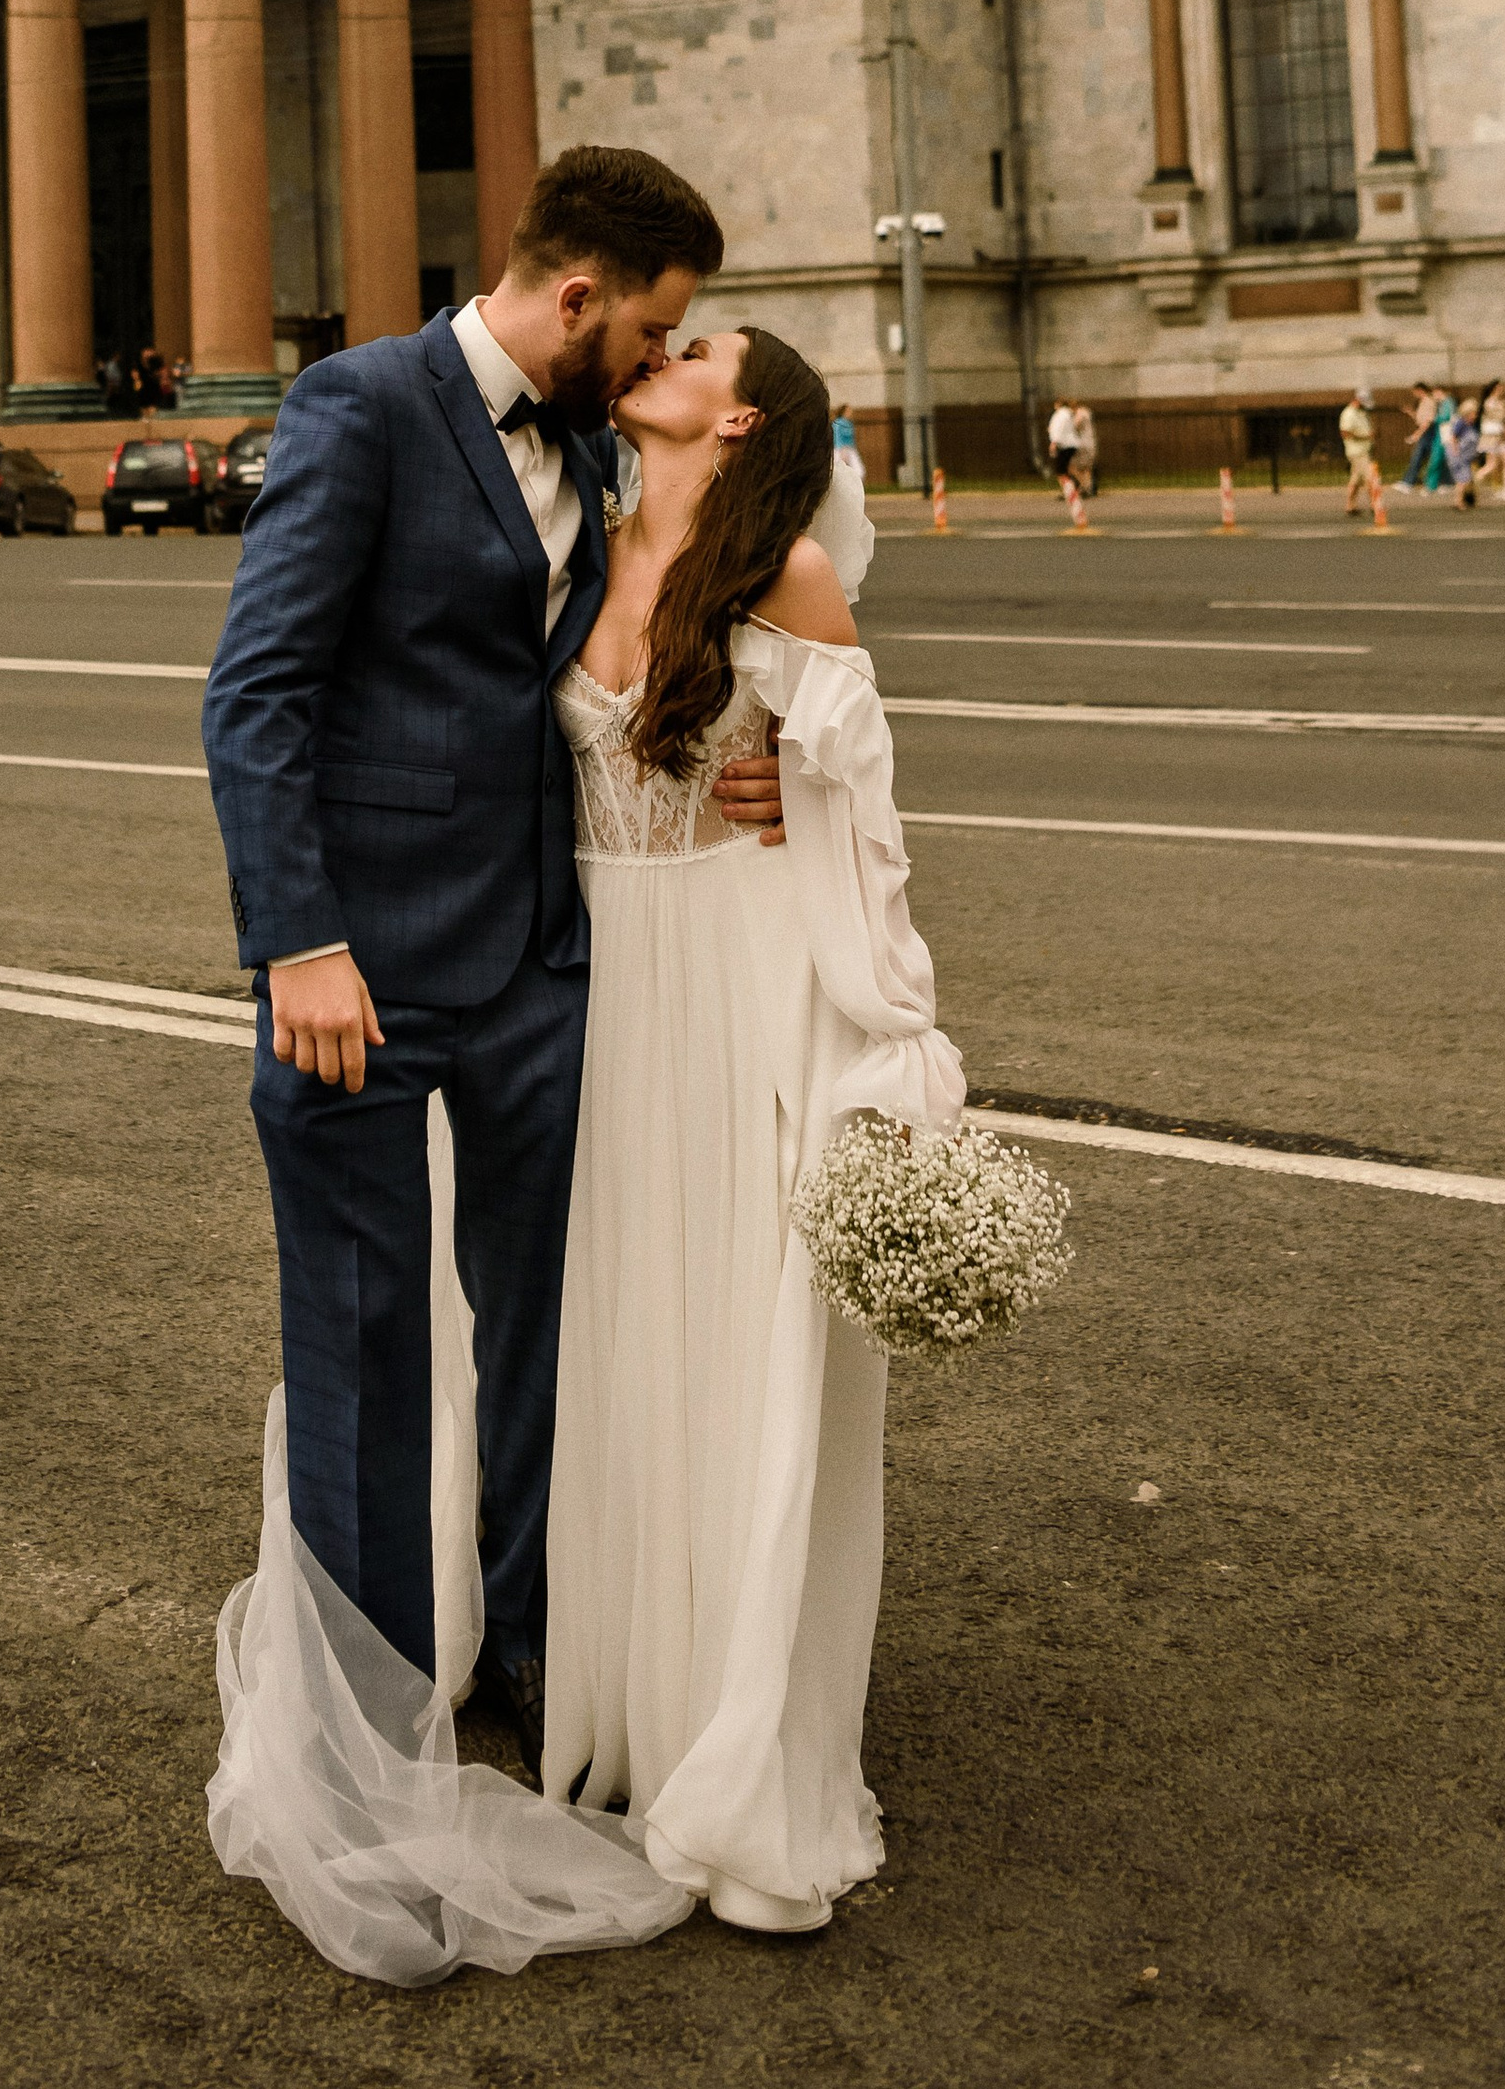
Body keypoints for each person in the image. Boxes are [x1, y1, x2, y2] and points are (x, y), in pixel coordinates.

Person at [204, 149, 776, 1973]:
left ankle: (538, 1665)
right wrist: (298, 937)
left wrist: (746, 757)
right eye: (661, 323)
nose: (665, 353)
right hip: (357, 975)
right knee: (365, 1345)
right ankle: (370, 1738)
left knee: (551, 1333)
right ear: (587, 292)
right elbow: (259, 687)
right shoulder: (359, 403)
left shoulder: (604, 437)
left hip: (544, 960)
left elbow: (618, 658)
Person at [544, 322, 960, 1929]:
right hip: (603, 978)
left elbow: (869, 826)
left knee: (743, 1342)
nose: (659, 346)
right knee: (627, 1334)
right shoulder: (583, 530)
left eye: (697, 343)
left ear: (745, 415)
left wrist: (896, 1048)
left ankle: (739, 1741)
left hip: (741, 973)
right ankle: (637, 1713)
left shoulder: (784, 570)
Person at [1339, 390, 1379, 514]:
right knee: (1369, 477)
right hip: (1357, 451)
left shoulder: (1360, 413)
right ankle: (1374, 504)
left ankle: (1350, 506)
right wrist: (1367, 437)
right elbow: (1345, 433)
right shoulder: (1349, 414)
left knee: (1355, 479)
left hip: (1363, 450)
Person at [1479, 379, 1505, 501]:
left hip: (1499, 436)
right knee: (1492, 464)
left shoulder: (1496, 402)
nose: (1502, 389)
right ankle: (1471, 482)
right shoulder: (1491, 402)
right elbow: (1499, 418)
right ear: (1495, 389)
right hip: (1494, 436)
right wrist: (1502, 408)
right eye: (1499, 387)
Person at [1446, 394, 1480, 509]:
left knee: (1465, 479)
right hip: (1459, 455)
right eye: (1473, 413)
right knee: (1463, 479)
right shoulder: (1461, 423)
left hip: (1466, 456)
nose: (1475, 416)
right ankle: (1459, 502)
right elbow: (1453, 438)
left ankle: (1465, 500)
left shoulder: (1469, 425)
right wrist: (1456, 452)